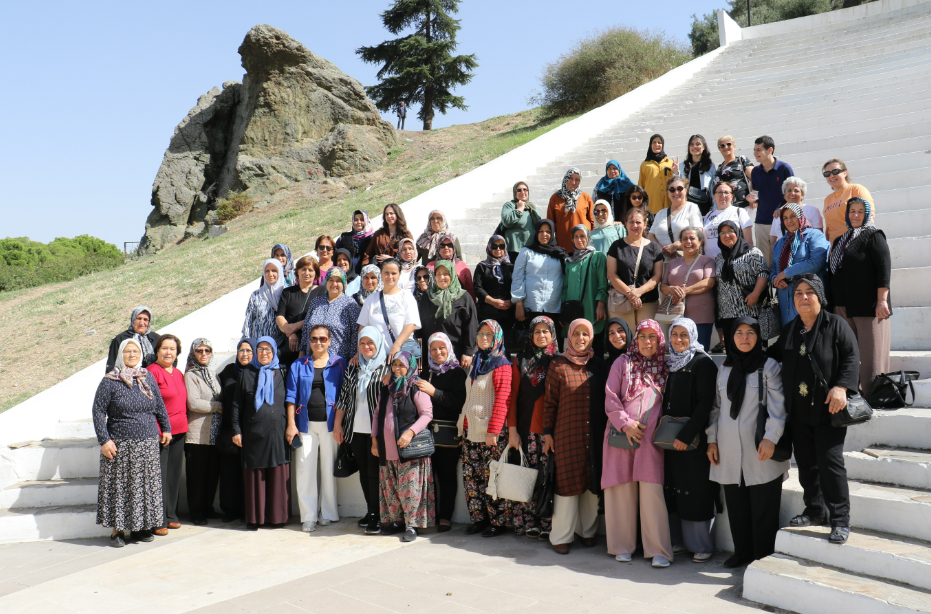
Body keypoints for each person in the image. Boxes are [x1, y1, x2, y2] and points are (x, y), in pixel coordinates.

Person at [769, 277, 859, 545]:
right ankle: (815, 510)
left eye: (810, 293)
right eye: (798, 293)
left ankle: (840, 519)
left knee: (831, 465)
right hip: (798, 411)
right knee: (806, 464)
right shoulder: (791, 329)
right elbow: (772, 355)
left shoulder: (836, 325)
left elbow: (852, 357)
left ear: (820, 297)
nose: (803, 298)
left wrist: (842, 387)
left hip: (828, 410)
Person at [707, 317, 789, 566]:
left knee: (764, 506)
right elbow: (715, 408)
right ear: (731, 337)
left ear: (758, 337)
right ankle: (742, 552)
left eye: (750, 333)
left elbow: (779, 408)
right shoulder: (723, 368)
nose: (744, 337)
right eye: (739, 333)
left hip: (760, 449)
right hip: (729, 451)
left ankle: (762, 557)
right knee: (737, 505)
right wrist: (711, 440)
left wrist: (770, 438)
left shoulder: (769, 366)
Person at [602, 320, 672, 566]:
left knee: (652, 494)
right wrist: (626, 424)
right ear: (636, 339)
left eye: (652, 337)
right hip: (622, 436)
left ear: (659, 340)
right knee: (621, 490)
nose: (647, 342)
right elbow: (611, 399)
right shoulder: (623, 363)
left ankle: (658, 551)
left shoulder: (666, 366)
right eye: (642, 336)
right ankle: (622, 546)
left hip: (651, 441)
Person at [93, 339, 171, 547]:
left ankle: (140, 528)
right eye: (128, 351)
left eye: (136, 351)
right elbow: (98, 411)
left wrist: (167, 428)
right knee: (121, 488)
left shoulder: (147, 377)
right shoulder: (110, 380)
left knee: (144, 487)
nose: (132, 354)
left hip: (147, 442)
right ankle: (117, 531)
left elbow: (159, 405)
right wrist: (104, 440)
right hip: (121, 443)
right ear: (121, 354)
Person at [543, 319, 606, 555]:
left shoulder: (598, 365)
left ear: (591, 338)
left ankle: (587, 532)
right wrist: (547, 433)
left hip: (595, 434)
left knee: (591, 483)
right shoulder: (558, 364)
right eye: (576, 334)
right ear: (569, 336)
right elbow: (549, 403)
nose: (581, 339)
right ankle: (561, 536)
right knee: (567, 484)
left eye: (585, 334)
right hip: (566, 433)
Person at [663, 318, 718, 562]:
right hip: (669, 440)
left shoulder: (703, 363)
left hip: (692, 441)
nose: (679, 340)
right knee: (673, 488)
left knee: (694, 489)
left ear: (693, 336)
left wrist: (687, 435)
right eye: (675, 334)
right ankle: (678, 541)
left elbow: (706, 403)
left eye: (684, 334)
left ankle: (700, 545)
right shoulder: (669, 362)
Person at [286, 324, 347, 533]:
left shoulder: (339, 363)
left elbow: (344, 396)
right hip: (305, 424)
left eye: (322, 339)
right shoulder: (299, 364)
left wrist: (340, 424)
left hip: (331, 425)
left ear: (329, 341)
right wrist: (291, 424)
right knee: (305, 469)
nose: (318, 342)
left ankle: (328, 513)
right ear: (309, 341)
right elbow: (291, 397)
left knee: (329, 469)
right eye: (314, 339)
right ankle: (308, 516)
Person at [828, 197, 892, 392]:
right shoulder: (840, 240)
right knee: (847, 353)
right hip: (841, 305)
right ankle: (851, 392)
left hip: (868, 306)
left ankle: (873, 395)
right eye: (852, 211)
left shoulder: (874, 236)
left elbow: (884, 270)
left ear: (867, 215)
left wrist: (882, 300)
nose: (855, 215)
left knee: (871, 354)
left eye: (859, 211)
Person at [371, 351, 435, 542]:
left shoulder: (416, 388)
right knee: (390, 488)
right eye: (395, 364)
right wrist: (374, 441)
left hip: (409, 450)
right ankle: (396, 521)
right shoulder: (386, 388)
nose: (398, 369)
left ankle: (412, 525)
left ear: (411, 367)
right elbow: (376, 415)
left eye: (402, 365)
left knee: (410, 489)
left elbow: (427, 414)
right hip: (387, 449)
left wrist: (410, 432)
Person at [333, 327, 391, 535]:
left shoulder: (387, 368)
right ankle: (371, 511)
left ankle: (377, 514)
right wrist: (338, 425)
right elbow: (344, 398)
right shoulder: (353, 368)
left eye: (371, 343)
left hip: (378, 432)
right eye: (363, 343)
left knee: (375, 474)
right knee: (364, 474)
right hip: (355, 430)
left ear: (378, 344)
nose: (367, 347)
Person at [231, 337, 291, 529]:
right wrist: (236, 430)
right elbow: (236, 405)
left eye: (268, 349)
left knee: (277, 473)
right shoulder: (247, 374)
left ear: (274, 351)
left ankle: (277, 518)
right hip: (253, 433)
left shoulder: (281, 372)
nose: (264, 353)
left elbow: (290, 400)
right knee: (256, 476)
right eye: (260, 349)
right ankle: (255, 518)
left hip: (277, 432)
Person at [461, 319, 514, 537]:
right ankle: (478, 518)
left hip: (490, 433)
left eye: (489, 335)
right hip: (470, 431)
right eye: (481, 334)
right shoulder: (476, 362)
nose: (484, 338)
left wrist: (493, 430)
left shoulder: (501, 364)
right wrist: (464, 425)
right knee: (471, 477)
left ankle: (497, 521)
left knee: (492, 476)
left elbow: (503, 400)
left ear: (497, 338)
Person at [509, 316, 557, 540]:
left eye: (545, 331)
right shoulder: (521, 360)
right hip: (526, 429)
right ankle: (530, 522)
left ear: (552, 335)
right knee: (527, 476)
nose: (541, 335)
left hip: (549, 431)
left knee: (547, 478)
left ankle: (547, 522)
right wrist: (512, 429)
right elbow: (513, 395)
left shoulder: (558, 360)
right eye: (537, 331)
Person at [417, 333, 468, 532]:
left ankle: (445, 516)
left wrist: (434, 392)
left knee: (446, 476)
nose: (438, 352)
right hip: (427, 433)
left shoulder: (457, 373)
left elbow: (459, 402)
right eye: (433, 349)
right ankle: (431, 515)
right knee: (429, 476)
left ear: (449, 349)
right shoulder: (427, 373)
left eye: (442, 348)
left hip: (448, 434)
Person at [147, 334, 188, 535]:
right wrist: (162, 429)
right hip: (162, 433)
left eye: (172, 349)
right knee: (160, 477)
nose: (168, 352)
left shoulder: (178, 373)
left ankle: (171, 515)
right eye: (165, 348)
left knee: (173, 476)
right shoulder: (151, 372)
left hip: (180, 431)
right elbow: (150, 405)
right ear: (157, 350)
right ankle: (159, 519)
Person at [183, 338, 223, 526]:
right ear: (193, 353)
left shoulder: (213, 374)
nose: (204, 354)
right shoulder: (190, 375)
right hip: (196, 434)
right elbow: (194, 403)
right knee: (197, 476)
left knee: (211, 473)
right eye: (199, 351)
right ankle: (196, 512)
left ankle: (207, 507)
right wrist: (217, 406)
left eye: (207, 350)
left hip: (213, 432)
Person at [714, 220, 769, 354]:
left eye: (730, 231)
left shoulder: (752, 252)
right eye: (722, 233)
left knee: (754, 351)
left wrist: (755, 294)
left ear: (738, 232)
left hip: (750, 310)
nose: (726, 235)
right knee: (733, 354)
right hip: (727, 313)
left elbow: (763, 273)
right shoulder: (719, 258)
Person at [770, 203, 829, 325]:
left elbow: (816, 262)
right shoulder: (779, 243)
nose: (789, 221)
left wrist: (785, 273)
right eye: (785, 218)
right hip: (785, 300)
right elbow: (773, 269)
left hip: (808, 298)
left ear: (800, 217)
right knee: (791, 338)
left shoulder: (815, 235)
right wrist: (775, 279)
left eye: (792, 216)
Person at [660, 227, 716, 351]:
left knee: (699, 354)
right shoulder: (672, 263)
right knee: (677, 354)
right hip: (675, 316)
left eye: (692, 238)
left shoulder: (707, 261)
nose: (688, 242)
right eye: (684, 239)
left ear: (700, 241)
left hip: (701, 315)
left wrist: (685, 290)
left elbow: (709, 282)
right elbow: (663, 287)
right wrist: (671, 289)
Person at [606, 208, 664, 328]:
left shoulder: (654, 248)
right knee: (625, 340)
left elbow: (657, 276)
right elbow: (611, 275)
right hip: (621, 301)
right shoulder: (616, 247)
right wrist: (631, 294)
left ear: (645, 224)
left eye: (638, 222)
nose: (634, 225)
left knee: (647, 339)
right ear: (625, 223)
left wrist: (639, 291)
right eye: (631, 222)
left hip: (648, 302)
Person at [357, 258, 422, 361]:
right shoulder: (371, 299)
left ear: (399, 274)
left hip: (400, 357)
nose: (390, 277)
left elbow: (411, 324)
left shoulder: (406, 296)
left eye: (394, 273)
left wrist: (396, 345)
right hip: (377, 359)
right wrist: (359, 353)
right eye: (386, 273)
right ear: (381, 274)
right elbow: (363, 328)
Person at [216, 338, 252, 523]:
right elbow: (216, 391)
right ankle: (230, 510)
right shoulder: (229, 371)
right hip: (230, 429)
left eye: (248, 350)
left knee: (248, 473)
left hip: (251, 431)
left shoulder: (257, 371)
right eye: (241, 350)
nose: (244, 354)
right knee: (229, 474)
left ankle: (248, 510)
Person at [511, 219, 566, 341]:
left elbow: (565, 280)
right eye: (540, 231)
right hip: (532, 306)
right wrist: (518, 303)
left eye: (548, 231)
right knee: (533, 344)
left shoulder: (560, 254)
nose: (544, 234)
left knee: (554, 345)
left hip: (554, 307)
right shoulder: (526, 252)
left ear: (553, 234)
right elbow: (517, 277)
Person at [418, 259, 478, 367]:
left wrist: (468, 352)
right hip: (432, 356)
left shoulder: (463, 297)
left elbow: (471, 326)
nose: (442, 277)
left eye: (446, 274)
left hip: (456, 354)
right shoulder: (427, 297)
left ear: (452, 275)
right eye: (438, 274)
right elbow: (420, 325)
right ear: (434, 277)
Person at [561, 225, 608, 356]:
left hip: (592, 309)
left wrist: (601, 304)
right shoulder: (569, 262)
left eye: (582, 236)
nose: (579, 239)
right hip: (573, 311)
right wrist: (564, 310)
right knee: (576, 345)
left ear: (588, 237)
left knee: (595, 345)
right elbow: (565, 287)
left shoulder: (597, 257)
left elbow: (603, 283)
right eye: (575, 237)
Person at [748, 136, 794, 266]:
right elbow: (756, 194)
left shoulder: (784, 168)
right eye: (754, 150)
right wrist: (751, 199)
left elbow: (794, 193)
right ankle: (766, 287)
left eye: (759, 150)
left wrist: (782, 208)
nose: (755, 153)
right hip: (761, 221)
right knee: (763, 262)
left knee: (782, 259)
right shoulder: (755, 171)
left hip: (782, 220)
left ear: (770, 150)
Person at [300, 268, 360, 364]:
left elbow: (355, 335)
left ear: (344, 284)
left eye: (338, 281)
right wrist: (301, 357)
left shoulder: (350, 304)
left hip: (337, 364)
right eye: (331, 280)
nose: (334, 284)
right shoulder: (316, 302)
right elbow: (306, 329)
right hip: (312, 361)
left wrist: (351, 361)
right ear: (326, 282)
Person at [276, 256, 324, 367]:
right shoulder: (288, 292)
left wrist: (296, 326)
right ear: (297, 272)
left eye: (310, 270)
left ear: (315, 273)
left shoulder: (322, 291)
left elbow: (318, 316)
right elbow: (280, 317)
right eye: (303, 269)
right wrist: (291, 333)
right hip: (288, 342)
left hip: (310, 344)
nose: (306, 273)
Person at [473, 235, 516, 346]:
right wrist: (493, 302)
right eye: (494, 246)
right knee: (488, 345)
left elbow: (517, 286)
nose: (498, 249)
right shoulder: (482, 267)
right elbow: (477, 288)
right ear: (489, 247)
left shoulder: (511, 267)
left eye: (501, 246)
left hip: (507, 313)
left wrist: (511, 302)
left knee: (505, 347)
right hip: (487, 312)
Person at [648, 176, 703, 261]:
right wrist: (662, 250)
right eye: (672, 189)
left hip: (685, 259)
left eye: (679, 188)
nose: (676, 192)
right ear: (668, 192)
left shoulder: (692, 207)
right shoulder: (660, 213)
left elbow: (698, 232)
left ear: (686, 190)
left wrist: (676, 245)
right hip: (662, 260)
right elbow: (650, 235)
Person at [822, 159, 876, 243]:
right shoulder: (827, 199)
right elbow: (829, 227)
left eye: (835, 171)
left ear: (845, 172)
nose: (831, 176)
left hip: (855, 244)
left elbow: (870, 216)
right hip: (835, 249)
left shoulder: (856, 189)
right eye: (827, 173)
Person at [242, 259, 287, 351]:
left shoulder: (286, 294)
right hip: (258, 346)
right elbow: (248, 320)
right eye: (267, 271)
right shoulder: (256, 295)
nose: (270, 274)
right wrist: (246, 341)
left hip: (279, 346)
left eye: (274, 271)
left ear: (279, 272)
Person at [703, 181, 754, 261]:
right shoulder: (708, 215)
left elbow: (748, 240)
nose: (723, 195)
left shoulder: (739, 211)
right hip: (709, 262)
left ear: (732, 196)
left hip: (732, 261)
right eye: (719, 192)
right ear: (714, 196)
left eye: (726, 193)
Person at [547, 167, 594, 254]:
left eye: (577, 180)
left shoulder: (586, 198)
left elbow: (593, 222)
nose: (573, 182)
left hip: (583, 247)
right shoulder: (555, 198)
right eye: (571, 178)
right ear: (566, 179)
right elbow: (550, 223)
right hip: (563, 247)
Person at [769, 177, 824, 251]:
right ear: (784, 194)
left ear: (802, 195)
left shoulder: (812, 210)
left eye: (796, 191)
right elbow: (773, 243)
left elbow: (819, 239)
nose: (792, 193)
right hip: (781, 256)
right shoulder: (778, 214)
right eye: (788, 190)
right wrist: (771, 262)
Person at [106, 306, 160, 372]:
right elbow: (112, 365)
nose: (142, 323)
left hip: (154, 378)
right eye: (139, 319)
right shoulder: (121, 339)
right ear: (133, 319)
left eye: (145, 319)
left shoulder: (156, 338)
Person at [501, 181, 541, 261]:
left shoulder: (533, 208)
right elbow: (506, 222)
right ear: (514, 192)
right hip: (513, 251)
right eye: (519, 190)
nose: (522, 192)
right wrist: (519, 209)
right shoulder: (510, 205)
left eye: (525, 189)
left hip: (531, 249)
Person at [427, 233, 475, 299]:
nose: (446, 248)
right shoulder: (430, 266)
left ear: (454, 248)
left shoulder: (462, 266)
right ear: (438, 248)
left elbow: (470, 289)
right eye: (442, 245)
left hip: (458, 304)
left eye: (449, 245)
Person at [677, 134, 716, 216]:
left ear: (704, 147)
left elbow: (713, 188)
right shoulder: (682, 166)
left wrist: (715, 209)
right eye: (691, 144)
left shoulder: (710, 166)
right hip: (686, 206)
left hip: (704, 206)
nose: (694, 147)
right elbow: (677, 187)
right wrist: (676, 173)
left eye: (698, 144)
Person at [639, 134, 676, 214]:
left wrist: (676, 171)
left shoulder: (670, 163)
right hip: (652, 206)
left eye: (659, 142)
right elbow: (641, 186)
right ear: (650, 145)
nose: (657, 145)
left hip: (669, 205)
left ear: (662, 145)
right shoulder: (644, 164)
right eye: (654, 142)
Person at [714, 135, 754, 209]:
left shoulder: (741, 160)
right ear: (720, 149)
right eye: (722, 146)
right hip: (725, 208)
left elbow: (755, 177)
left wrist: (754, 197)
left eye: (728, 144)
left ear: (734, 146)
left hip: (743, 206)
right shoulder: (719, 167)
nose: (726, 147)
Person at [335, 210, 374, 275]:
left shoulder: (373, 238)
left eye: (361, 219)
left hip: (368, 275)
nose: (358, 222)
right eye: (356, 220)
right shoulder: (344, 237)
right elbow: (336, 253)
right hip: (349, 276)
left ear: (366, 220)